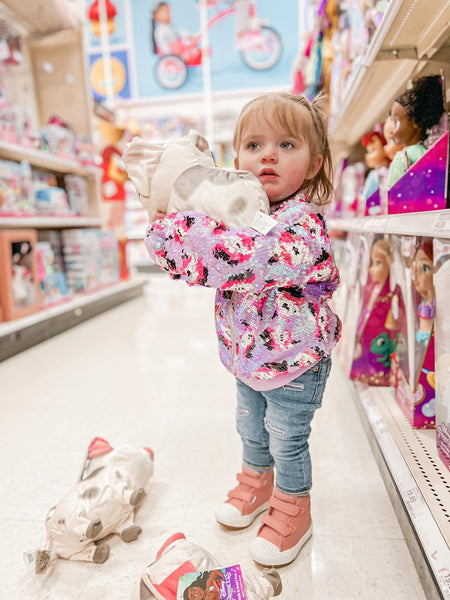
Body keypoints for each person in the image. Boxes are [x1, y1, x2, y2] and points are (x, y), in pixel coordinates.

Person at [145, 92, 341, 567]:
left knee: (286, 436)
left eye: (286, 144)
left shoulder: (302, 224)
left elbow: (243, 258)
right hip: (247, 357)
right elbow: (199, 255)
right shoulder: (233, 214)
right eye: (254, 145)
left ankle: (294, 509)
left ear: (314, 164)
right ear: (236, 160)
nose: (268, 154)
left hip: (297, 361)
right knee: (250, 427)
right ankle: (257, 484)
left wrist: (171, 233)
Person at [387, 74, 445, 188]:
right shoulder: (426, 151)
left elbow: (392, 192)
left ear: (414, 122)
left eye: (396, 122)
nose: (392, 131)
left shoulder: (401, 157)